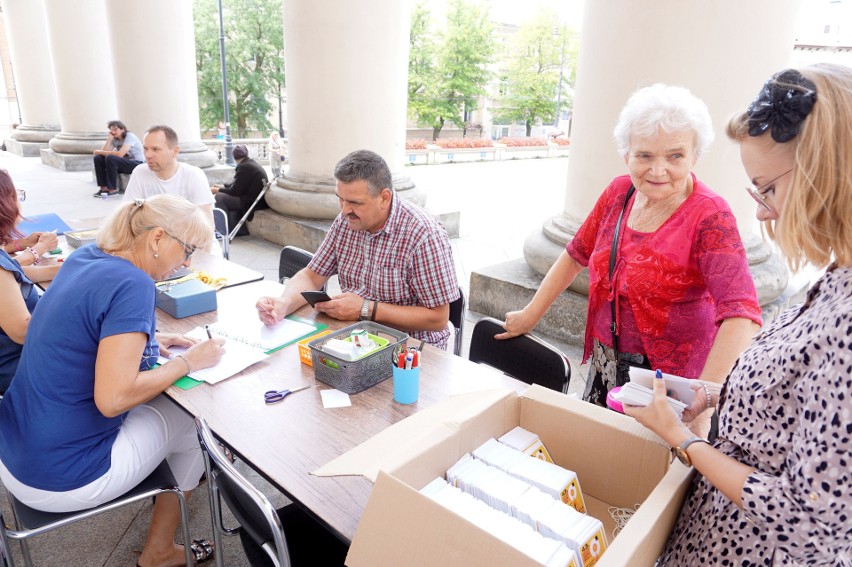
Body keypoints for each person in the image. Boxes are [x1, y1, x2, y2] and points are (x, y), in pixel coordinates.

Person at [625, 64, 852, 565]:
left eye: (767, 189)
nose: (763, 212)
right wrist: (711, 392)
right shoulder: (836, 277)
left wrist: (684, 440)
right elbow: (792, 405)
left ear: (827, 177)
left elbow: (810, 522)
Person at [499, 84, 762, 432]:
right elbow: (575, 254)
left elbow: (742, 314)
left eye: (675, 156)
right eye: (645, 155)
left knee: (652, 472)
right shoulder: (618, 192)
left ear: (695, 156)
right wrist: (529, 315)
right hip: (609, 362)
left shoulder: (710, 215)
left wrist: (704, 397)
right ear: (627, 155)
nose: (658, 170)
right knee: (601, 452)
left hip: (672, 383)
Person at [0, 194, 224, 566]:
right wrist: (188, 361)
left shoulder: (87, 256)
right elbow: (113, 399)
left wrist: (150, 339)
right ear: (156, 239)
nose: (186, 262)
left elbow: (75, 328)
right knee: (196, 425)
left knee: (164, 402)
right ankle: (160, 551)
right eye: (186, 250)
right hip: (62, 476)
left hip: (14, 452)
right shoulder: (134, 283)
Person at [256, 149, 460, 349]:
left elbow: (438, 318)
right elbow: (312, 275)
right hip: (358, 338)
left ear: (384, 198)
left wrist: (365, 309)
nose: (344, 210)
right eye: (340, 199)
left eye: (354, 202)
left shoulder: (423, 235)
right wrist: (283, 304)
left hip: (413, 350)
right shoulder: (346, 221)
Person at [0, 170, 61, 394]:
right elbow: (23, 331)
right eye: (17, 195)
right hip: (20, 370)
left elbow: (14, 274)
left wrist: (67, 270)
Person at [123, 124, 217, 253]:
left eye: (156, 149)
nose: (148, 155)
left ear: (175, 151)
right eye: (145, 149)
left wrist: (200, 260)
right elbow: (127, 214)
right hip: (154, 248)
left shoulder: (193, 175)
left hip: (191, 246)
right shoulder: (140, 172)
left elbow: (206, 226)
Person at [210, 144, 269, 237]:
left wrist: (217, 190)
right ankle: (234, 228)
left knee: (219, 197)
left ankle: (223, 230)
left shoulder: (244, 167)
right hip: (254, 199)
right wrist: (223, 186)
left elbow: (235, 191)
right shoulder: (249, 163)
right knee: (223, 195)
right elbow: (239, 185)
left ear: (234, 157)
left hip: (252, 202)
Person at [92, 120, 144, 198]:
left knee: (111, 158)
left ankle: (113, 189)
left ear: (123, 129)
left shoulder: (130, 136)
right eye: (111, 130)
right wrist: (109, 139)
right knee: (98, 158)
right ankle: (103, 188)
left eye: (115, 129)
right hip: (124, 164)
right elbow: (103, 152)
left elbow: (120, 154)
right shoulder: (114, 139)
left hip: (136, 163)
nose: (113, 132)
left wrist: (99, 151)